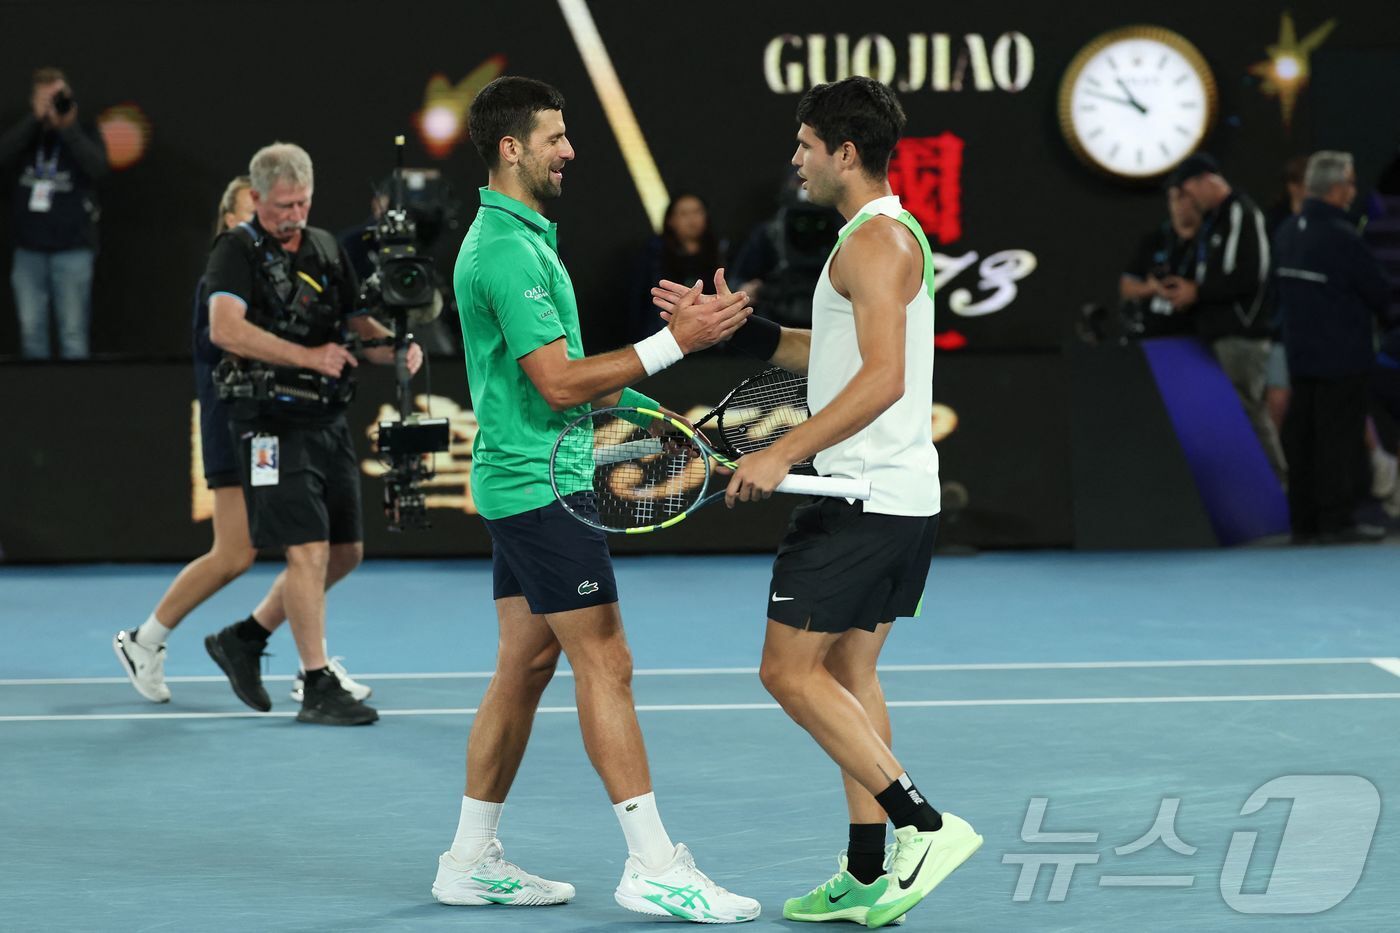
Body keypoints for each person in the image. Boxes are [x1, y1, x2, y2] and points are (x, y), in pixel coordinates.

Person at [430, 76, 760, 923]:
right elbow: (558, 381)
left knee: (525, 665)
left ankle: (467, 860)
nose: (569, 150)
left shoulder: (523, 240)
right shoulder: (505, 252)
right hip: (540, 487)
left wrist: (662, 428)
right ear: (511, 148)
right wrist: (673, 343)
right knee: (607, 660)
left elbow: (579, 381)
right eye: (555, 137)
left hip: (528, 478)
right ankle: (654, 864)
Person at [655, 75, 982, 929]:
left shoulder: (872, 244)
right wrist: (739, 328)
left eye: (805, 145)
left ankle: (924, 826)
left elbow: (883, 379)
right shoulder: (885, 235)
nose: (795, 160)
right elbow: (835, 352)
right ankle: (867, 871)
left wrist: (781, 450)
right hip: (897, 496)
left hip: (860, 497)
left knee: (786, 671)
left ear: (845, 152)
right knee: (847, 673)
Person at [111, 176, 372, 709]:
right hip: (232, 425)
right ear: (232, 220)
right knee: (238, 553)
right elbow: (231, 350)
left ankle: (260, 644)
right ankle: (147, 640)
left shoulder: (279, 270)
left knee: (309, 551)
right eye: (243, 216)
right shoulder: (225, 277)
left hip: (278, 421)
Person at [203, 142, 421, 724]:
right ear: (256, 198)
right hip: (268, 425)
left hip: (326, 419)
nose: (294, 215)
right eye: (282, 206)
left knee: (345, 553)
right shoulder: (235, 251)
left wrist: (394, 347)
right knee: (307, 550)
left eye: (302, 203)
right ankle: (317, 681)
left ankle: (245, 638)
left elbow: (355, 325)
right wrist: (308, 356)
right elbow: (224, 329)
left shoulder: (324, 247)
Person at [1275, 151, 1389, 543]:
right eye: (1350, 183)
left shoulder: (1287, 231)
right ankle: (1336, 521)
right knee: (1339, 440)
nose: (1353, 191)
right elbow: (1379, 292)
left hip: (1300, 356)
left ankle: (1305, 522)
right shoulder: (1342, 237)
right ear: (1336, 188)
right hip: (1342, 356)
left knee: (1304, 438)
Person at [1161, 153, 1287, 480]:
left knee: (1247, 412)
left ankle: (1277, 487)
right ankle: (1249, 489)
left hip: (1241, 334)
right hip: (1217, 334)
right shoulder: (1215, 221)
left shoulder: (1240, 212)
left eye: (1188, 192)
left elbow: (1251, 274)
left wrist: (1198, 292)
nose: (1189, 201)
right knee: (1229, 417)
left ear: (1206, 180)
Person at [0, 67, 109, 358]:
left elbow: (99, 169)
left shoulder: (85, 131)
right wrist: (33, 121)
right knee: (31, 333)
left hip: (73, 250)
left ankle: (79, 387)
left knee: (73, 333)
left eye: (58, 98)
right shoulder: (25, 135)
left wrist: (68, 128)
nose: (53, 106)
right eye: (45, 99)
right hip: (28, 251)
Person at [627, 193, 725, 341]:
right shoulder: (654, 254)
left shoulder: (719, 250)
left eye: (697, 212)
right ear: (670, 220)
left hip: (711, 332)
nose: (692, 219)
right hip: (664, 331)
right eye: (684, 214)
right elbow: (639, 300)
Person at [1119, 185, 1202, 338]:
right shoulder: (1155, 240)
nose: (1179, 205)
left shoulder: (1213, 240)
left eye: (1184, 197)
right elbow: (1127, 287)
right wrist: (1154, 288)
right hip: (1154, 333)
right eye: (1173, 198)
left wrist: (1195, 292)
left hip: (1196, 333)